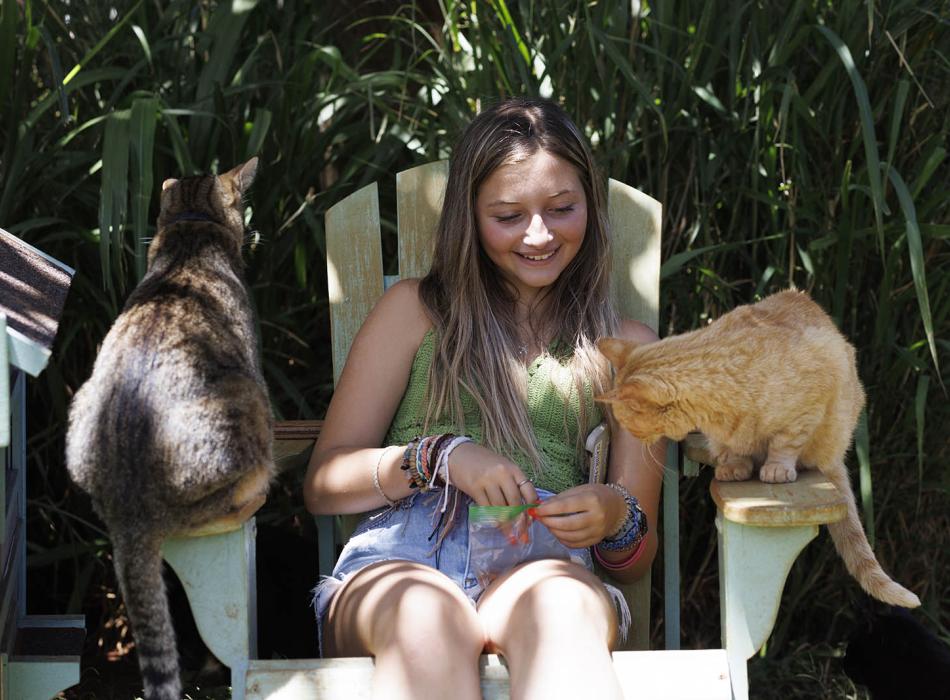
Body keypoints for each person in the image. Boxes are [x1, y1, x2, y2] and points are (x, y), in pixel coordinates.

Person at [304, 97, 664, 700]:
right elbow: (323, 482)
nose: (539, 234)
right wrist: (439, 456)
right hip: (399, 559)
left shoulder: (628, 351)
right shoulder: (414, 314)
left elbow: (635, 560)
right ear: (469, 218)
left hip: (540, 563)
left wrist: (614, 515)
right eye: (508, 215)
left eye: (562, 208)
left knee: (563, 614)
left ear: (592, 209)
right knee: (423, 617)